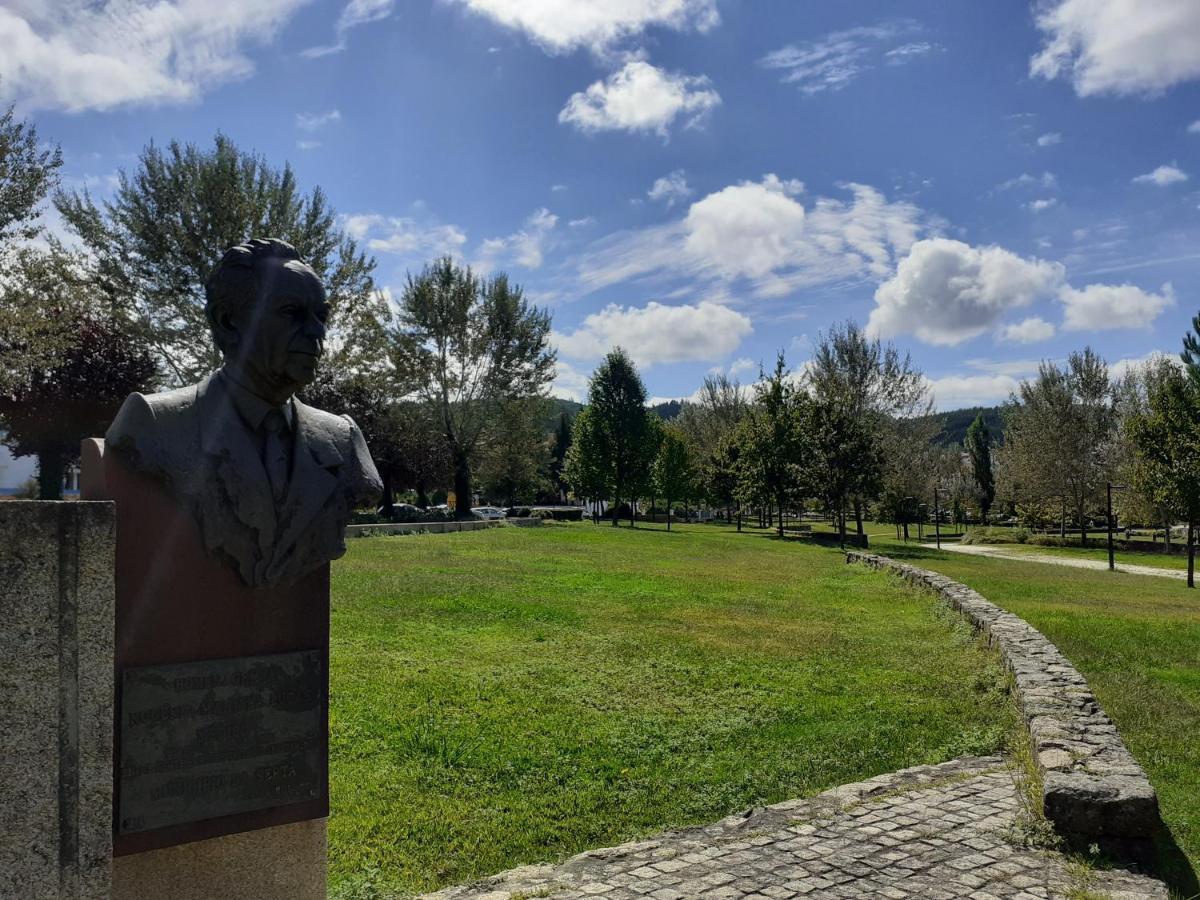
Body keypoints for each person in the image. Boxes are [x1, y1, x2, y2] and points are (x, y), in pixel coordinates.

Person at [106, 238, 382, 588]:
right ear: (229, 322)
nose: (318, 331)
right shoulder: (153, 424)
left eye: (321, 316)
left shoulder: (343, 440)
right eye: (291, 313)